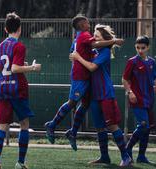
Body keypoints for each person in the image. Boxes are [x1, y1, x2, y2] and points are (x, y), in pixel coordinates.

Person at [44, 15, 124, 151]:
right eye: (87, 23)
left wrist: (76, 55)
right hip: (80, 76)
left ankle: (73, 133)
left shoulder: (80, 39)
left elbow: (73, 52)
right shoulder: (84, 35)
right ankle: (52, 124)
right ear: (82, 25)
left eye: (97, 34)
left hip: (88, 79)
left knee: (85, 104)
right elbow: (93, 45)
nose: (89, 25)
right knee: (72, 102)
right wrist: (114, 41)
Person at [70, 24, 132, 166]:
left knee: (112, 126)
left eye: (97, 36)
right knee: (99, 127)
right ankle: (105, 157)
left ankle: (126, 157)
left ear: (104, 39)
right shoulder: (93, 51)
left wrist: (78, 57)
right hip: (94, 95)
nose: (94, 38)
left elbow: (91, 67)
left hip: (105, 93)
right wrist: (74, 57)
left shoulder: (104, 51)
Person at [0, 12, 41, 169]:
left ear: (6, 29)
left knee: (2, 126)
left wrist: (18, 65)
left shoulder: (0, 46)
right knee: (24, 124)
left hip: (3, 88)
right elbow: (15, 68)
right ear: (19, 28)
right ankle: (20, 162)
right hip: (17, 89)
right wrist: (32, 67)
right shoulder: (19, 46)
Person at [122, 35, 156, 163]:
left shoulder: (152, 62)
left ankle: (141, 156)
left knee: (147, 128)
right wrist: (130, 92)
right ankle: (127, 149)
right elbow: (124, 79)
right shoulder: (132, 61)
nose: (140, 50)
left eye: (143, 48)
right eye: (137, 47)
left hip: (149, 98)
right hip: (137, 99)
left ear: (148, 47)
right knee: (143, 125)